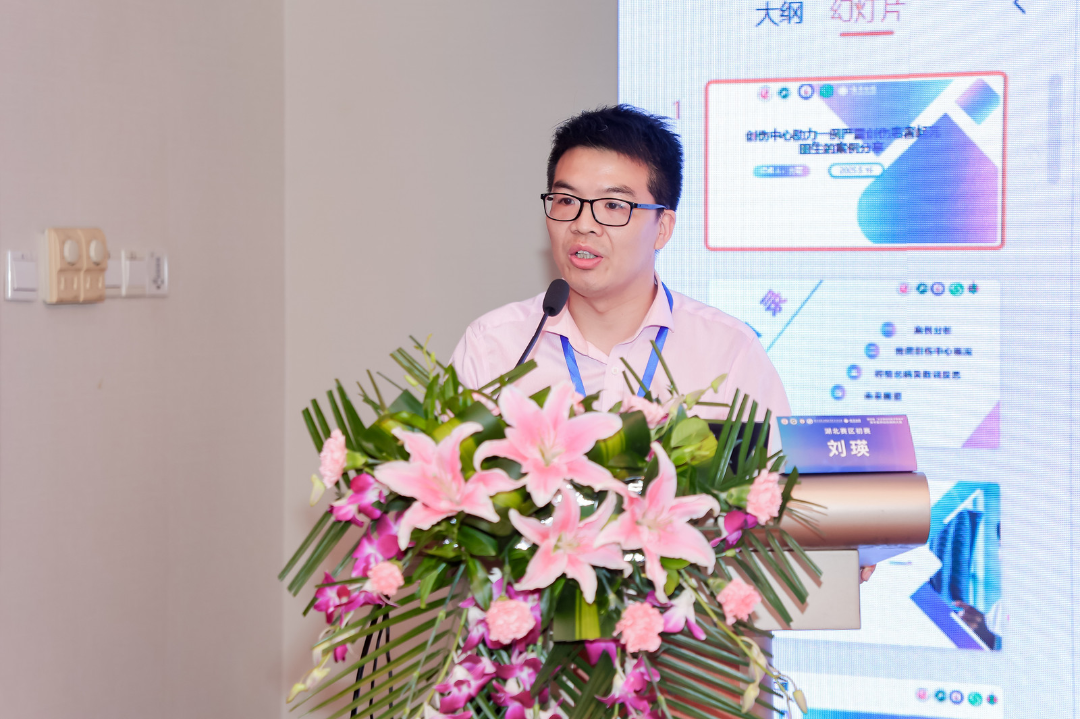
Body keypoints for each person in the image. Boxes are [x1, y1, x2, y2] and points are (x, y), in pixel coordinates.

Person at [451, 104, 790, 433]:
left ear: (662, 228)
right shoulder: (494, 347)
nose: (583, 225)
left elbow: (774, 472)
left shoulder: (729, 354)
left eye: (613, 205)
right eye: (566, 200)